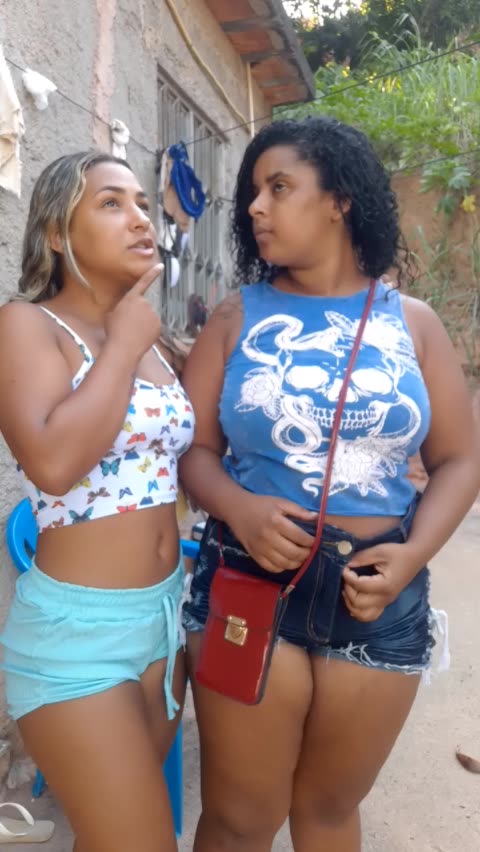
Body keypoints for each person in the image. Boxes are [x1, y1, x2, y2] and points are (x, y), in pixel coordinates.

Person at [180, 116, 480, 852]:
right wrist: (238, 508)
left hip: (377, 595)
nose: (256, 206)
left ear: (339, 199)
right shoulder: (235, 318)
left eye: (279, 187)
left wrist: (411, 557)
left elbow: (460, 460)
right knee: (241, 819)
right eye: (254, 192)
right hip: (252, 579)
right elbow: (192, 453)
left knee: (329, 813)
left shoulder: (414, 325)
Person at [0, 151, 194, 852]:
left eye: (142, 203)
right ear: (57, 234)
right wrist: (122, 343)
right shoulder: (28, 325)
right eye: (111, 203)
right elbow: (53, 464)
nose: (140, 218)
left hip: (163, 621)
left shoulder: (156, 343)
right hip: (77, 636)